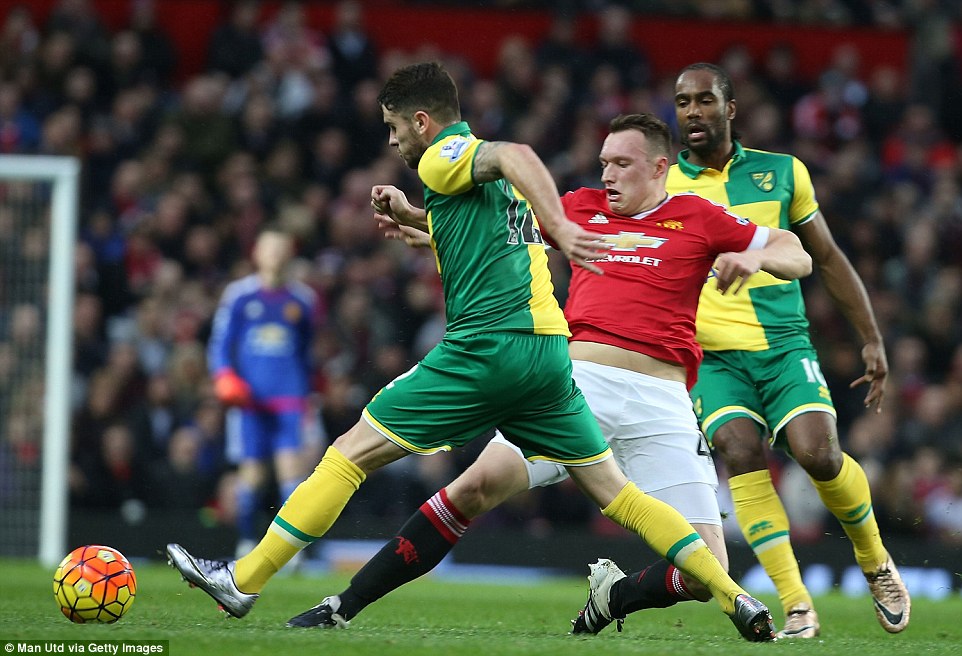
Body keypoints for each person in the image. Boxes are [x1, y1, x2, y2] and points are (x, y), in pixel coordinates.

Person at [166, 62, 780, 642]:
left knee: (350, 454)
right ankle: (736, 597)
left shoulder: (445, 156)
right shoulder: (485, 185)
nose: (392, 141)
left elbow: (517, 154)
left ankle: (244, 580)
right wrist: (418, 217)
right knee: (618, 495)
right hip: (551, 359)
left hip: (488, 348)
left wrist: (564, 229)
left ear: (422, 121)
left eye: (394, 127)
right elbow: (485, 231)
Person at [666, 62, 908, 637]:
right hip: (712, 357)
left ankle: (875, 561)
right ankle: (797, 603)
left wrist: (871, 338)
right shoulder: (662, 184)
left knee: (818, 454)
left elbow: (827, 257)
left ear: (730, 108)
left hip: (782, 346)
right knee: (739, 450)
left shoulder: (781, 173)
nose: (693, 111)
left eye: (705, 100)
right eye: (682, 101)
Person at [206, 227, 318, 558]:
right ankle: (245, 542)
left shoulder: (303, 300)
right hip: (249, 400)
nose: (275, 254)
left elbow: (308, 351)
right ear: (256, 253)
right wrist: (223, 375)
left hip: (289, 398)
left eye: (281, 248)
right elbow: (221, 343)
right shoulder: (239, 296)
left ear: (290, 254)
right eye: (269, 247)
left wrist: (308, 393)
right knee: (251, 474)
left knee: (291, 473)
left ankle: (290, 551)